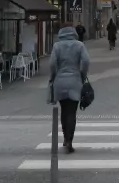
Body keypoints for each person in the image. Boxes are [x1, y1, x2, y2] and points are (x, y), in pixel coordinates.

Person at [49, 22, 90, 154]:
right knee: (72, 112)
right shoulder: (79, 45)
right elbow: (86, 61)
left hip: (60, 81)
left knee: (64, 110)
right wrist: (82, 75)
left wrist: (54, 76)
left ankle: (65, 137)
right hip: (75, 81)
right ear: (73, 32)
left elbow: (52, 64)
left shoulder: (57, 46)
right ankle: (70, 140)